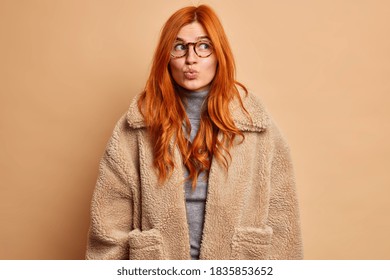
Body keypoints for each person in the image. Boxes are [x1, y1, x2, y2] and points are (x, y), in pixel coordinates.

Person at [86, 4, 303, 260]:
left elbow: (283, 220)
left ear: (218, 54)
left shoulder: (255, 125)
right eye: (179, 47)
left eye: (204, 46)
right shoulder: (136, 127)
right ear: (166, 57)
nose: (191, 58)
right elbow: (108, 224)